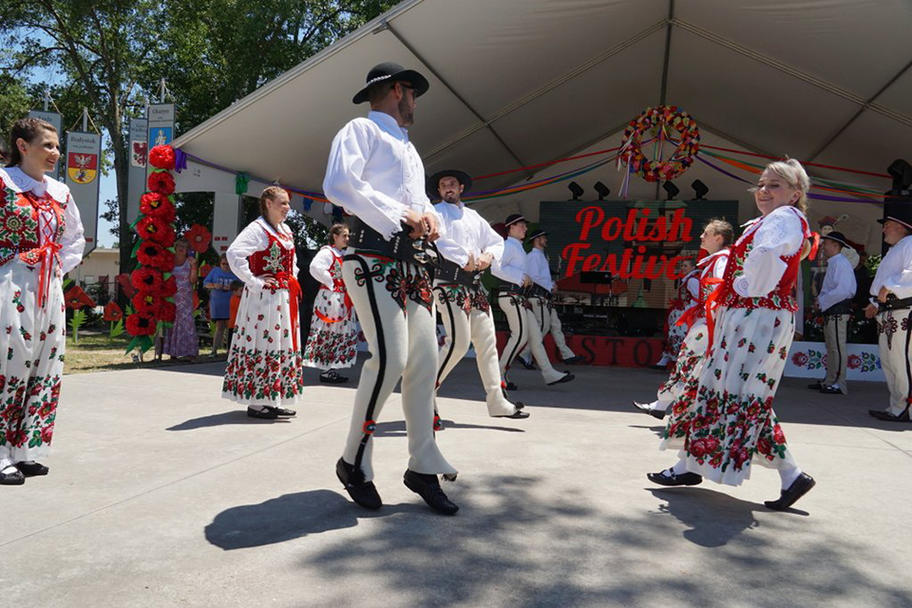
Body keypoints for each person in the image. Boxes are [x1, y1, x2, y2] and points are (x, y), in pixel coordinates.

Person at [323, 61, 458, 515]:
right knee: (391, 359)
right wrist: (402, 215)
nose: (415, 101)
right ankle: (353, 461)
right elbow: (340, 185)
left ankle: (422, 464)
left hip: (410, 264)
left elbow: (415, 203)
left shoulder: (408, 148)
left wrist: (428, 216)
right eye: (412, 92)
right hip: (370, 257)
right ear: (397, 90)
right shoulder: (360, 130)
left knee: (425, 359)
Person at [647, 159, 816, 512]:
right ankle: (694, 466)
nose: (765, 191)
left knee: (735, 393)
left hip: (756, 314)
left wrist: (740, 285)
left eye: (775, 185)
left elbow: (765, 264)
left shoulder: (784, 219)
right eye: (762, 184)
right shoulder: (777, 220)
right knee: (729, 392)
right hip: (752, 314)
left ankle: (785, 473)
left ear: (795, 193)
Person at [0, 117, 85, 485]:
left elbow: (75, 238)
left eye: (56, 145)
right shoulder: (3, 184)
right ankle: (1, 451)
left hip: (49, 288)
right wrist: (15, 262)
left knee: (46, 364)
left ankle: (27, 448)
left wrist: (52, 267)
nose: (56, 152)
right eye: (47, 145)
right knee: (10, 362)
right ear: (22, 146)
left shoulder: (60, 192)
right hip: (10, 284)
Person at [429, 169, 528, 422]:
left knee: (487, 344)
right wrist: (465, 259)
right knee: (458, 343)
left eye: (452, 184)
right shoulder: (435, 213)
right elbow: (437, 240)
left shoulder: (474, 216)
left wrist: (488, 256)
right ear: (439, 191)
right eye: (443, 185)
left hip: (474, 287)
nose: (448, 188)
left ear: (461, 188)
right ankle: (424, 395)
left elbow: (497, 241)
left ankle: (497, 401)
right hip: (448, 283)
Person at [632, 219, 733, 418]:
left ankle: (676, 409)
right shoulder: (719, 259)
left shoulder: (721, 260)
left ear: (718, 238)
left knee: (689, 363)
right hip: (709, 323)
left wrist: (709, 319)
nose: (701, 237)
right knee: (691, 365)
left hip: (708, 325)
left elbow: (719, 291)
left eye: (706, 233)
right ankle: (663, 406)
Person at [222, 187, 304, 420]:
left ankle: (273, 398)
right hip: (264, 299)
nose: (287, 208)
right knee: (263, 342)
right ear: (268, 203)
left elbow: (292, 262)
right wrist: (254, 281)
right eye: (283, 203)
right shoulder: (257, 229)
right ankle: (258, 402)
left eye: (288, 203)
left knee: (279, 344)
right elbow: (235, 253)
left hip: (282, 297)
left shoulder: (285, 230)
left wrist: (292, 280)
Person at [492, 214, 574, 389]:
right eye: (520, 226)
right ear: (510, 228)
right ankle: (498, 374)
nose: (525, 228)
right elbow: (495, 268)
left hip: (518, 298)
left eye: (524, 226)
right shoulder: (508, 246)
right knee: (520, 336)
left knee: (535, 337)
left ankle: (549, 373)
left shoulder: (517, 248)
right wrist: (521, 276)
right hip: (511, 296)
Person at [865, 204, 912, 423]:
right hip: (891, 312)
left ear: (902, 228)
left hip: (902, 310)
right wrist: (875, 301)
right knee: (890, 361)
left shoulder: (910, 244)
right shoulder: (897, 248)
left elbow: (910, 276)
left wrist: (889, 287)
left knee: (902, 361)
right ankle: (897, 406)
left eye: (888, 225)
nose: (884, 230)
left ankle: (906, 408)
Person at [516, 229, 583, 369]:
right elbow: (533, 277)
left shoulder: (539, 256)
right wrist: (550, 286)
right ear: (536, 239)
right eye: (543, 237)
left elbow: (540, 277)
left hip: (544, 297)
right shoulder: (534, 256)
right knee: (543, 327)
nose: (545, 240)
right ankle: (524, 354)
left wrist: (551, 284)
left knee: (555, 325)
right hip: (538, 296)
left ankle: (567, 355)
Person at [302, 223, 358, 383]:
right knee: (330, 329)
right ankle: (327, 369)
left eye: (348, 236)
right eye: (344, 236)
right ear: (335, 236)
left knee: (339, 332)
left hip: (341, 297)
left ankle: (332, 367)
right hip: (330, 298)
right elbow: (315, 267)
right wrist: (332, 282)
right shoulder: (327, 252)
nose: (347, 239)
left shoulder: (343, 254)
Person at [810, 231, 856, 395]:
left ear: (836, 246)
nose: (824, 246)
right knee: (832, 347)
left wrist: (822, 301)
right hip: (832, 310)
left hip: (838, 310)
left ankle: (839, 382)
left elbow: (843, 290)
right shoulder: (836, 262)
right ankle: (830, 380)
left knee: (837, 347)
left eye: (827, 243)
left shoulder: (841, 263)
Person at [653, 258, 698, 368]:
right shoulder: (687, 279)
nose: (683, 268)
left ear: (693, 268)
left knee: (678, 336)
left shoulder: (692, 281)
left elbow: (698, 298)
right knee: (673, 335)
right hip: (682, 313)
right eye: (682, 266)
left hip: (686, 315)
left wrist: (688, 310)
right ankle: (666, 360)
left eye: (685, 266)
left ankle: (678, 362)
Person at [161, 237, 199, 361]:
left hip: (185, 298)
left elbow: (193, 280)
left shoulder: (190, 262)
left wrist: (194, 266)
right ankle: (173, 352)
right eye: (180, 246)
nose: (182, 249)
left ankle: (190, 352)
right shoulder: (169, 261)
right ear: (175, 247)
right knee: (172, 323)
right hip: (171, 297)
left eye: (185, 247)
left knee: (186, 323)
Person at [203, 254, 238, 356]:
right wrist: (214, 285)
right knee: (219, 327)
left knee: (230, 327)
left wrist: (231, 288)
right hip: (218, 303)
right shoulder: (215, 271)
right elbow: (205, 283)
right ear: (220, 264)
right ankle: (214, 350)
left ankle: (230, 351)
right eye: (223, 264)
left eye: (228, 264)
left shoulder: (235, 273)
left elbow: (241, 287)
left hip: (231, 304)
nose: (226, 266)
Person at [227, 280, 244, 348]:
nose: (243, 292)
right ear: (234, 291)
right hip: (234, 324)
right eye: (241, 290)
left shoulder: (240, 298)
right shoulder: (234, 299)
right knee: (232, 342)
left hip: (238, 324)